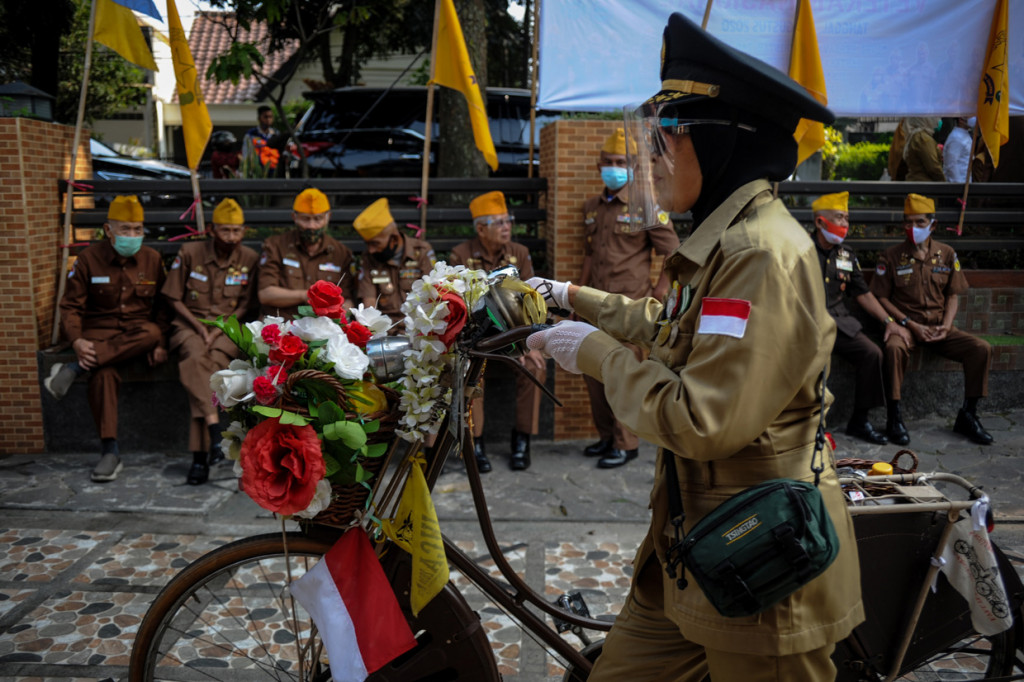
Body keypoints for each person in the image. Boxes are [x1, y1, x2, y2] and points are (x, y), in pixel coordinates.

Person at [526, 13, 863, 680]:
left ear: (720, 147)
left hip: (760, 564)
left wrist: (592, 352)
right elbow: (666, 324)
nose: (650, 160)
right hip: (693, 551)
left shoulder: (760, 253)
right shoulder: (723, 242)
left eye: (665, 141)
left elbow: (700, 418)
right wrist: (568, 294)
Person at [45, 196, 170, 482]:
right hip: (98, 333)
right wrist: (76, 341)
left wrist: (162, 342)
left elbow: (163, 307)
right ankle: (110, 451)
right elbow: (71, 307)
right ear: (108, 230)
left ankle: (74, 369)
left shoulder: (151, 259)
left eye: (138, 229)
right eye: (125, 229)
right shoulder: (89, 259)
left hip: (139, 334)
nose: (133, 236)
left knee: (151, 332)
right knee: (102, 373)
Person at [579, 127, 679, 468]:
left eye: (620, 161)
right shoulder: (592, 207)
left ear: (632, 167)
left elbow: (673, 253)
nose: (613, 166)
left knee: (623, 378)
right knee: (594, 376)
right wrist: (574, 301)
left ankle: (626, 443)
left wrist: (658, 291)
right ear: (598, 166)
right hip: (593, 306)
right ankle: (606, 437)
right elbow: (589, 257)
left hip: (628, 309)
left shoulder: (646, 206)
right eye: (608, 161)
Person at [870, 193, 994, 446]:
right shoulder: (892, 256)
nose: (912, 228)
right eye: (907, 223)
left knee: (981, 349)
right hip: (907, 327)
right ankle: (894, 417)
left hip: (939, 328)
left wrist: (947, 326)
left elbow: (952, 295)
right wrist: (908, 324)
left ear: (933, 225)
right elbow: (881, 297)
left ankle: (968, 415)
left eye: (919, 222)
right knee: (893, 349)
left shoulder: (947, 254)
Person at [162, 198, 259, 485]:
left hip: (227, 330)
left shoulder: (250, 259)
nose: (231, 237)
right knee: (195, 360)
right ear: (212, 230)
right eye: (225, 230)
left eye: (236, 231)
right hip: (188, 326)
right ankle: (215, 433)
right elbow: (172, 297)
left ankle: (200, 457)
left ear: (244, 231)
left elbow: (245, 305)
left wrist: (218, 330)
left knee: (204, 372)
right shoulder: (190, 252)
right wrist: (199, 328)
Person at [449, 191, 547, 472]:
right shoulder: (462, 255)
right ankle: (476, 443)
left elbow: (531, 304)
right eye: (499, 222)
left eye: (508, 220)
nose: (507, 227)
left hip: (514, 338)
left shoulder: (520, 254)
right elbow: (463, 309)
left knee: (536, 367)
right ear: (481, 229)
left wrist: (529, 345)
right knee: (471, 371)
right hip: (478, 338)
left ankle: (522, 440)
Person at [810, 191, 911, 444]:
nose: (844, 224)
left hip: (837, 323)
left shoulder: (846, 255)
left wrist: (888, 322)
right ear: (820, 222)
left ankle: (860, 419)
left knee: (872, 353)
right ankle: (808, 423)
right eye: (839, 218)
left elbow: (863, 294)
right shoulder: (800, 250)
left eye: (847, 218)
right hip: (806, 323)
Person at [257, 187, 355, 320]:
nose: (312, 226)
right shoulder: (275, 246)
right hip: (282, 324)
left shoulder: (341, 253)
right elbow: (266, 294)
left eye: (318, 219)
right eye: (305, 219)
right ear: (294, 217)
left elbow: (347, 301)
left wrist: (337, 312)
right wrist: (307, 296)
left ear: (328, 217)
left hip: (323, 328)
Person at [354, 197, 436, 326]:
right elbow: (369, 304)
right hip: (386, 330)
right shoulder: (368, 259)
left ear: (394, 238)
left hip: (418, 328)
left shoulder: (422, 252)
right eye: (367, 244)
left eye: (375, 244)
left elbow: (434, 295)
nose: (371, 250)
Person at [901, 117, 944, 182]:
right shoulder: (923, 138)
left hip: (917, 182)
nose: (937, 120)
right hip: (924, 184)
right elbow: (933, 167)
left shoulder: (915, 135)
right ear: (925, 119)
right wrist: (943, 182)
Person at [942, 117, 975, 183]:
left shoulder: (964, 134)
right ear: (961, 120)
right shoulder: (956, 137)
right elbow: (951, 164)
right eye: (969, 116)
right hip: (959, 184)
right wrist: (958, 185)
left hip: (965, 181)